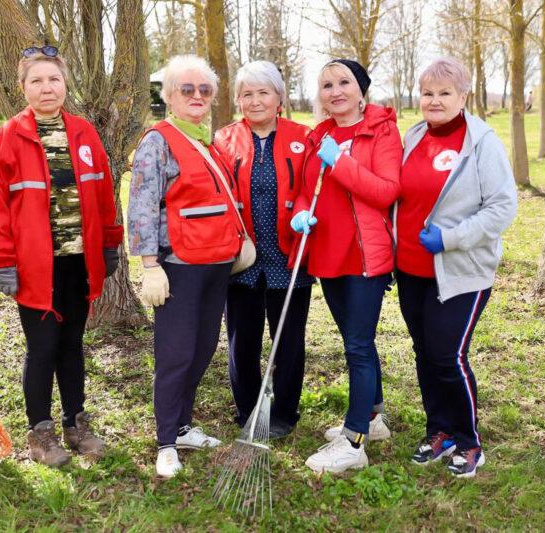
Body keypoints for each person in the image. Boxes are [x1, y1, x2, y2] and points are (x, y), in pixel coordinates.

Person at [0, 46, 123, 467]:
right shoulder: (7, 138)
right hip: (34, 266)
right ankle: (40, 433)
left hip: (78, 262)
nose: (47, 88)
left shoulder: (84, 133)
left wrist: (110, 243)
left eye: (54, 79)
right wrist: (2, 260)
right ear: (22, 87)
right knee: (42, 348)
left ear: (65, 84)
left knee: (73, 346)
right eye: (37, 81)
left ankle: (76, 425)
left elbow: (103, 195)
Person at [397, 57, 517, 477]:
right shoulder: (412, 136)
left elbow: (503, 207)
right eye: (427, 93)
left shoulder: (481, 142)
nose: (434, 100)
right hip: (410, 269)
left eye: (444, 93)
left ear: (462, 96)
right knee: (425, 353)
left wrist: (450, 238)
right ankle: (439, 431)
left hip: (461, 270)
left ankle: (468, 441)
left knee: (448, 355)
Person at [128, 55, 244, 478]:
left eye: (204, 90)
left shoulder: (208, 140)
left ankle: (182, 425)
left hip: (216, 264)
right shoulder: (158, 141)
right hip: (178, 265)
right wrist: (149, 265)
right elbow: (140, 205)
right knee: (175, 354)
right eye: (187, 89)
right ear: (169, 96)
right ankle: (165, 441)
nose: (196, 96)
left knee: (202, 348)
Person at [290, 59, 402, 473]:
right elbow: (306, 191)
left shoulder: (381, 130)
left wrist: (342, 162)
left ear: (361, 90)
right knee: (356, 341)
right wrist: (302, 213)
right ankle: (372, 420)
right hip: (329, 254)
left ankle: (353, 441)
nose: (335, 91)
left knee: (357, 345)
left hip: (365, 256)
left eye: (343, 83)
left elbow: (387, 190)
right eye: (326, 85)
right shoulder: (318, 135)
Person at [213, 61, 312, 439]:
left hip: (290, 257)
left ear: (279, 98)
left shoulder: (303, 137)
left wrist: (302, 212)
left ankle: (284, 412)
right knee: (243, 340)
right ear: (238, 99)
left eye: (263, 93)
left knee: (289, 340)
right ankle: (250, 412)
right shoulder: (223, 140)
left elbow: (308, 187)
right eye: (247, 94)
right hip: (243, 259)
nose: (255, 101)